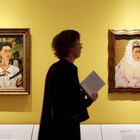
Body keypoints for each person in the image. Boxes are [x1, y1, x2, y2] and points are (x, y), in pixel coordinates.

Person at [38, 29, 98, 140]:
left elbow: (62, 96)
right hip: (65, 129)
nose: (81, 47)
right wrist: (90, 99)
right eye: (79, 44)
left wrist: (79, 90)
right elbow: (71, 104)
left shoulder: (54, 67)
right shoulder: (69, 69)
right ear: (69, 47)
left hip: (53, 127)